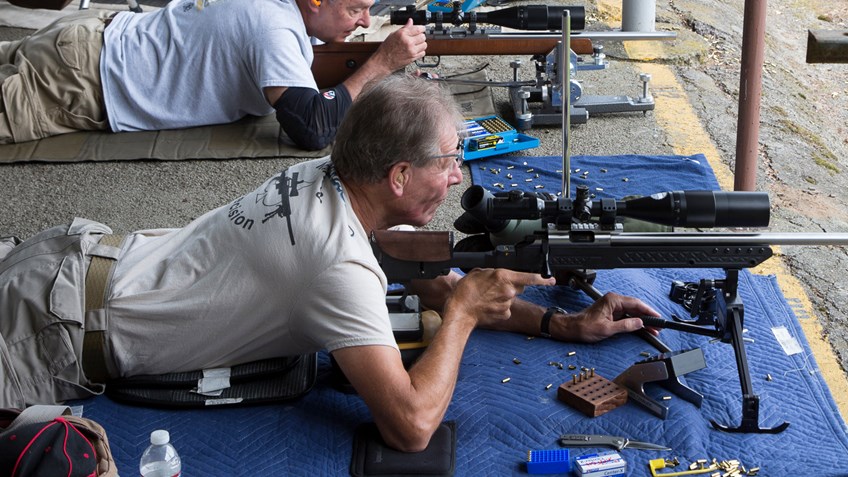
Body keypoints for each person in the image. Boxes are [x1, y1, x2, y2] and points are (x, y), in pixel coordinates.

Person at [0, 74, 658, 452]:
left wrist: (563, 326)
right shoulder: (335, 264)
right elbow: (410, 424)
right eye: (449, 161)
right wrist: (460, 313)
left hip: (72, 257)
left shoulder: (329, 176)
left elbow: (427, 279)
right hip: (52, 330)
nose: (458, 177)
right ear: (399, 175)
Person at [0, 0, 426, 149]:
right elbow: (313, 128)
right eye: (355, 10)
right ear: (314, 2)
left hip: (87, 37)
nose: (366, 22)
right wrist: (381, 65)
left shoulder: (278, 12)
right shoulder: (274, 30)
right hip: (78, 81)